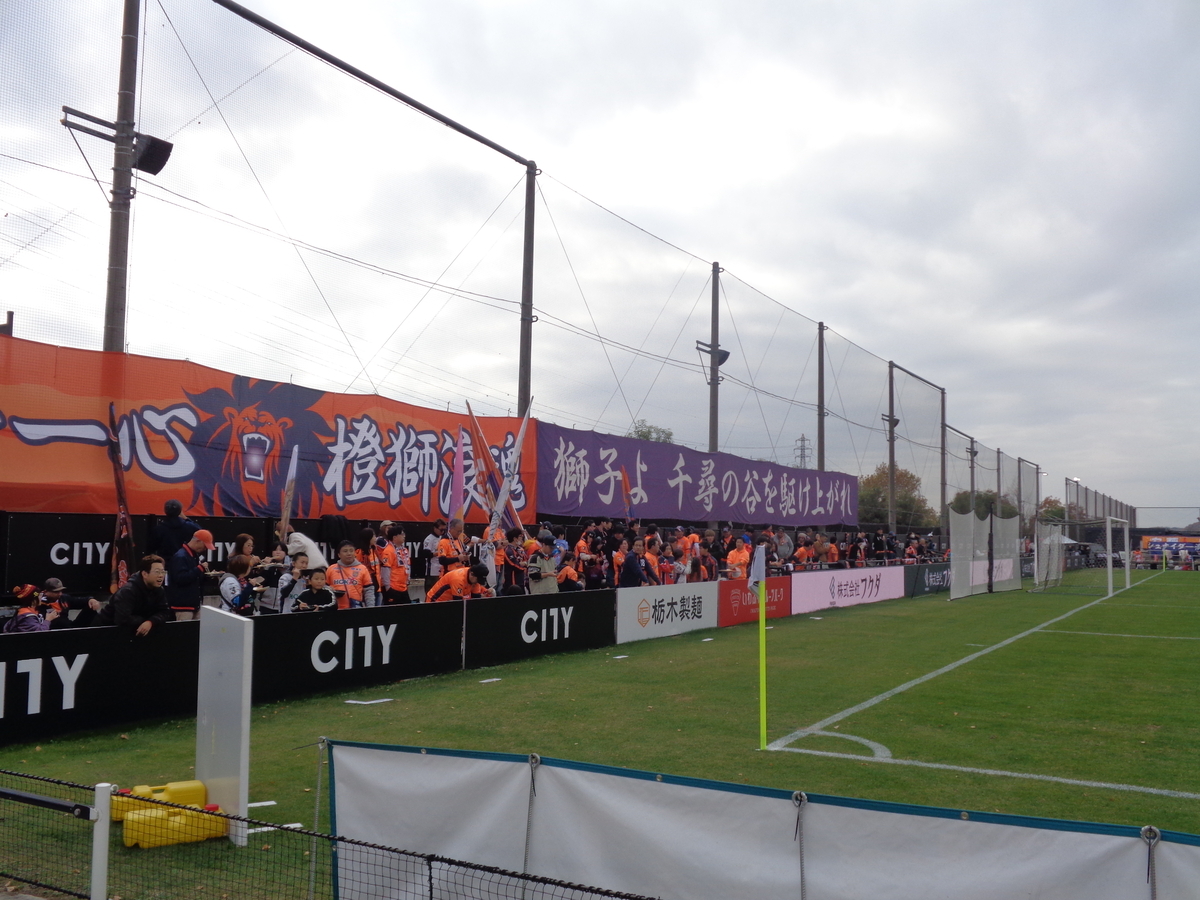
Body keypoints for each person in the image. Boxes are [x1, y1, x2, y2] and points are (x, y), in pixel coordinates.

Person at [95, 555, 171, 636]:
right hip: (104, 632)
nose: (161, 575)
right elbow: (122, 619)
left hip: (133, 632)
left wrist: (150, 622)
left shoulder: (159, 590)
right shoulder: (128, 591)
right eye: (157, 572)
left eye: (163, 572)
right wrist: (144, 621)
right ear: (145, 574)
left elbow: (165, 612)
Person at [166, 529, 215, 621]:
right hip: (183, 607)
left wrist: (207, 575)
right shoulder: (181, 556)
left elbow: (194, 578)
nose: (205, 549)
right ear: (198, 541)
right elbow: (180, 578)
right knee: (184, 630)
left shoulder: (193, 555)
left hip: (194, 605)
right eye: (205, 546)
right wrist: (199, 569)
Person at [38, 577, 104, 629]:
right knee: (59, 621)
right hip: (53, 630)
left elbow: (79, 601)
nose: (60, 594)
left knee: (90, 608)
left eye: (61, 591)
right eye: (56, 592)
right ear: (46, 592)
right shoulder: (39, 603)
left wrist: (91, 599)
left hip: (70, 627)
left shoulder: (64, 598)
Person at [326, 540, 374, 609]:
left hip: (355, 608)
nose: (349, 553)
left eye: (351, 551)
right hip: (335, 609)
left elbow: (369, 590)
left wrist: (370, 607)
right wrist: (328, 589)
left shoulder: (362, 568)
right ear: (339, 554)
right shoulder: (331, 569)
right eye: (345, 551)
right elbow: (323, 587)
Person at [426, 563, 494, 602]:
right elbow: (458, 602)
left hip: (449, 601)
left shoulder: (475, 579)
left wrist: (485, 596)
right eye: (478, 580)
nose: (477, 583)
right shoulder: (458, 579)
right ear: (472, 574)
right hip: (436, 600)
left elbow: (475, 599)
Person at [382, 526, 412, 603]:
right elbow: (385, 569)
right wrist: (388, 588)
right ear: (394, 537)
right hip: (393, 588)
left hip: (404, 587)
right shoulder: (388, 551)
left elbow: (407, 566)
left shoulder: (404, 550)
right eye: (402, 534)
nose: (404, 536)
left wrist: (407, 580)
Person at [497, 527, 530, 596]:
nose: (522, 538)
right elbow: (515, 565)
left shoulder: (520, 549)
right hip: (512, 582)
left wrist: (524, 563)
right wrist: (523, 565)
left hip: (522, 580)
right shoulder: (508, 550)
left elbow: (527, 561)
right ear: (515, 538)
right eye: (520, 536)